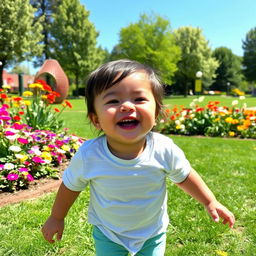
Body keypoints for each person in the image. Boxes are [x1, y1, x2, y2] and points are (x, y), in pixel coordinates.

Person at [41, 59, 235, 256]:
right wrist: (57, 217)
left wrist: (210, 201)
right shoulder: (90, 154)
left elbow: (184, 176)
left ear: (157, 112)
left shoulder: (163, 149)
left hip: (152, 233)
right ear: (96, 119)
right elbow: (71, 186)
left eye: (139, 99)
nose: (126, 106)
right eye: (113, 101)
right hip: (108, 232)